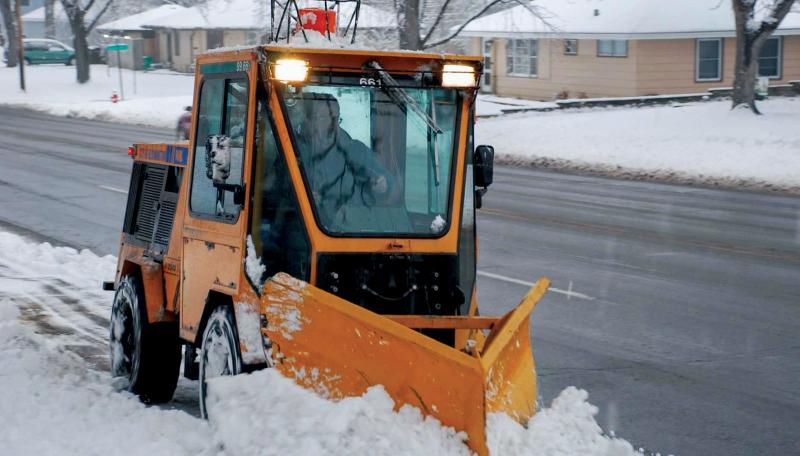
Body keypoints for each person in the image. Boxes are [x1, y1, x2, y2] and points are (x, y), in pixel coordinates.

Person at [293, 93, 391, 228]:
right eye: (324, 118)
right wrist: (301, 197)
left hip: (350, 230)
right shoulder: (293, 150)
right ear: (309, 121)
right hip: (303, 229)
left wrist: (383, 184)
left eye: (336, 118)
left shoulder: (355, 150)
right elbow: (275, 190)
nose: (332, 125)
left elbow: (386, 178)